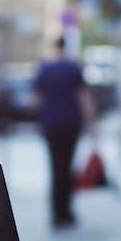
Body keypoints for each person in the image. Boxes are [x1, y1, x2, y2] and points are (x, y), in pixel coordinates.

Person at [33, 36, 93, 228]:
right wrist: (92, 122)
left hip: (51, 124)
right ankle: (66, 211)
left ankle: (57, 213)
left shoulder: (44, 69)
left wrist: (40, 118)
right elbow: (83, 97)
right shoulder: (73, 68)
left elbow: (37, 99)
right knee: (67, 167)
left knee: (55, 168)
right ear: (66, 47)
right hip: (70, 123)